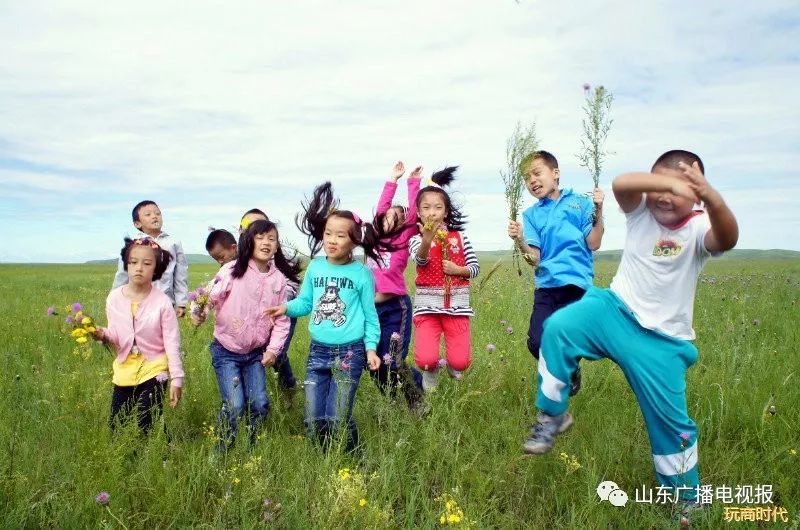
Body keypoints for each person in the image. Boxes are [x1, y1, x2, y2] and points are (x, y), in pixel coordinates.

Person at [523, 150, 738, 518]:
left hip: (663, 342)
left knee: (671, 424)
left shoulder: (700, 227)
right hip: (614, 312)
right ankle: (552, 415)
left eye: (682, 189)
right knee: (556, 328)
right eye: (660, 186)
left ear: (699, 196)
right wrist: (671, 182)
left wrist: (711, 196)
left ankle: (687, 499)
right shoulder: (640, 214)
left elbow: (727, 238)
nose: (667, 196)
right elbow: (623, 184)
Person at [507, 150, 604, 395]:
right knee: (537, 342)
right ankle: (567, 368)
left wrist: (599, 210)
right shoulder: (531, 215)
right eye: (527, 178)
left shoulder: (580, 203)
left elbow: (593, 243)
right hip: (547, 287)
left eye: (537, 173)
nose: (532, 181)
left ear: (556, 173)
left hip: (577, 285)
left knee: (573, 338)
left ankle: (567, 371)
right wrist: (519, 239)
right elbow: (534, 259)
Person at [408, 167, 480, 392]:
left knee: (461, 363)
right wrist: (427, 240)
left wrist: (459, 270)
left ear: (446, 212)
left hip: (457, 308)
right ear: (419, 213)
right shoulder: (415, 239)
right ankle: (431, 370)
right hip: (427, 308)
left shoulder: (460, 237)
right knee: (425, 360)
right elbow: (420, 261)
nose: (432, 212)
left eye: (438, 207)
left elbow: (475, 269)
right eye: (426, 208)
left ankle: (452, 365)